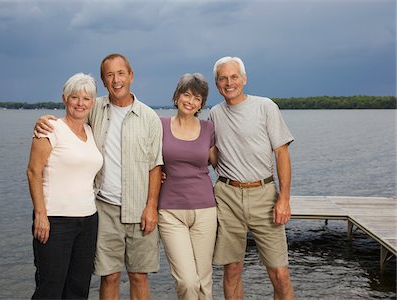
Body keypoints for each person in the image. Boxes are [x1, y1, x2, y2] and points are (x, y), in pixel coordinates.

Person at [34, 54, 163, 300]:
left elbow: (155, 165)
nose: (116, 80)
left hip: (139, 208)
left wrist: (152, 206)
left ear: (131, 76)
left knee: (139, 275)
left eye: (121, 73)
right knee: (109, 275)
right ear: (104, 81)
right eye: (109, 75)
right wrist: (42, 121)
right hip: (103, 208)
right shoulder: (95, 109)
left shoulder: (149, 118)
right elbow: (70, 120)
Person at [209, 56, 295, 300]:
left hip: (263, 195)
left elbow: (281, 153)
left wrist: (284, 199)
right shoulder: (215, 114)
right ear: (217, 84)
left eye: (234, 77)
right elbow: (211, 154)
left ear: (244, 79)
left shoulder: (265, 106)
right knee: (232, 270)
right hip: (227, 196)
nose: (229, 83)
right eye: (223, 78)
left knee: (279, 273)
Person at [27, 73, 103, 299]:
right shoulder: (50, 128)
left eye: (86, 98)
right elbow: (33, 172)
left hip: (88, 220)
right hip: (55, 220)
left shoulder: (90, 131)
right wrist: (41, 215)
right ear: (64, 99)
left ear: (92, 102)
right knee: (50, 288)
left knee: (78, 289)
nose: (80, 103)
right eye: (74, 97)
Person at [158, 73, 217, 300]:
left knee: (204, 281)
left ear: (201, 104)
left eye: (197, 98)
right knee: (187, 282)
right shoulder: (160, 124)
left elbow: (219, 163)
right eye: (187, 94)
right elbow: (146, 159)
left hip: (205, 210)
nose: (191, 101)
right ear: (177, 96)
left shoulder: (208, 128)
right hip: (171, 211)